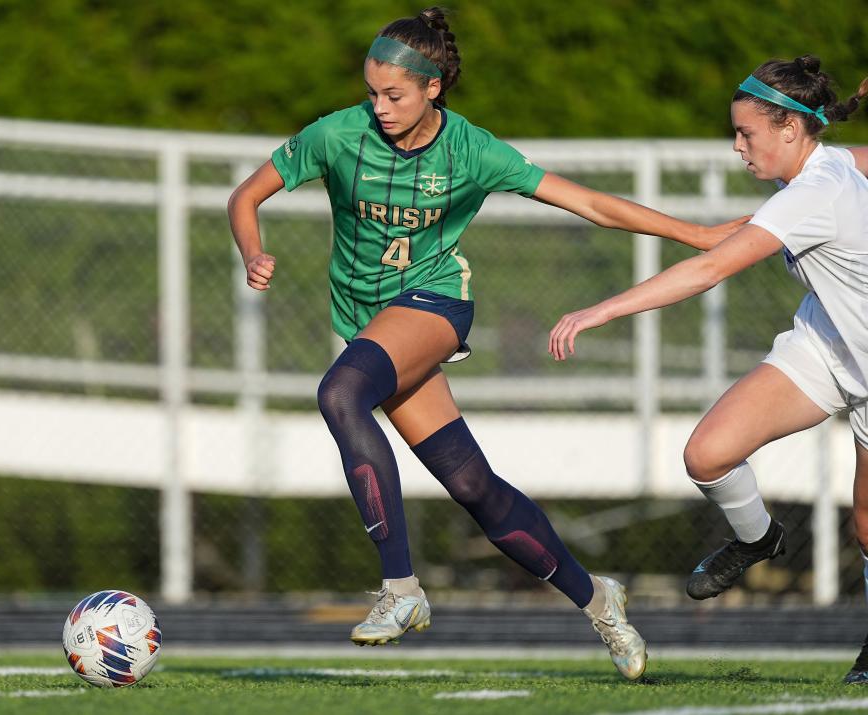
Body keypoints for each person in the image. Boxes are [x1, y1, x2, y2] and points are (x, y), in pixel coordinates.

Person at [227, 7, 744, 681]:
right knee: (472, 484)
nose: (378, 106)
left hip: (437, 303)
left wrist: (699, 235)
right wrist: (252, 251)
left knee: (340, 391)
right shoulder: (337, 134)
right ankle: (599, 598)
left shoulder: (471, 151)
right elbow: (246, 195)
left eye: (395, 95)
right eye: (373, 91)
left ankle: (400, 590)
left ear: (434, 87)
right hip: (370, 321)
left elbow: (590, 203)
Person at [547, 55, 868, 682]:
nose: (737, 146)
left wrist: (602, 310)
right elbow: (854, 161)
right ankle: (759, 541)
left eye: (747, 134)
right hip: (827, 340)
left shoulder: (814, 190)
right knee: (708, 454)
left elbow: (710, 268)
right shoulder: (826, 161)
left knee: (867, 525)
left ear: (790, 129)